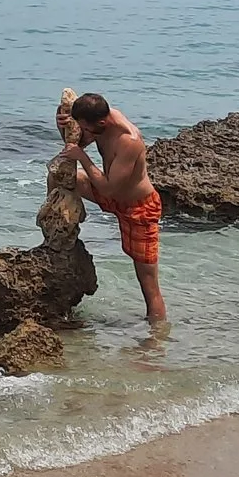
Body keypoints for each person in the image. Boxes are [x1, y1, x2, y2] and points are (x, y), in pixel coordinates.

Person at [59, 91, 167, 324]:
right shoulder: (98, 123)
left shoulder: (129, 141)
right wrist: (63, 125)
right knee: (61, 177)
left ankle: (156, 337)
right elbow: (76, 144)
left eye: (85, 128)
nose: (84, 133)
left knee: (148, 283)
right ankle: (59, 233)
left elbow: (108, 188)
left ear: (101, 123)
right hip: (111, 194)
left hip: (138, 208)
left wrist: (82, 157)